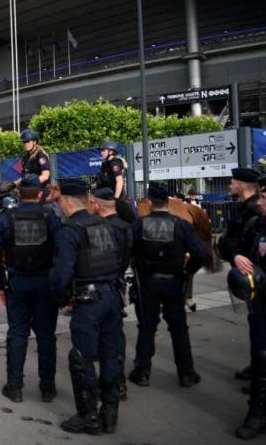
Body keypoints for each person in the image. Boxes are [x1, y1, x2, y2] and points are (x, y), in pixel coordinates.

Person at [50, 178, 125, 435]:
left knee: (82, 358)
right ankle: (110, 414)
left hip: (88, 302)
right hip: (113, 298)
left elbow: (61, 274)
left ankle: (89, 416)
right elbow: (121, 260)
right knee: (110, 355)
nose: (59, 205)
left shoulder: (70, 230)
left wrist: (61, 299)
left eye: (60, 201)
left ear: (69, 202)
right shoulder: (109, 226)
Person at [0, 175, 60, 404]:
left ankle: (15, 387)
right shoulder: (51, 216)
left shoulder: (5, 217)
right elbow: (62, 250)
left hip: (18, 282)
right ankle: (47, 388)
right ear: (40, 194)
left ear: (19, 195)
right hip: (45, 282)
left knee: (18, 334)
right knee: (46, 336)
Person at [128, 182, 205, 389]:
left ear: (150, 202)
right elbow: (200, 253)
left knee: (146, 327)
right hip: (174, 281)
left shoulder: (138, 225)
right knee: (179, 328)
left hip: (147, 282)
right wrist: (188, 272)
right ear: (167, 202)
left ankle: (142, 371)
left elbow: (125, 249)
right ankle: (186, 373)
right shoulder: (181, 225)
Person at [231, 176, 266, 439]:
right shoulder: (257, 224)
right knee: (261, 358)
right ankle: (258, 414)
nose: (260, 202)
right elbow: (230, 243)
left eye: (265, 198)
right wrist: (237, 255)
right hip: (262, 305)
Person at [218, 168, 261, 382]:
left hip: (257, 275)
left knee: (260, 326)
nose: (229, 185)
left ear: (242, 186)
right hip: (251, 274)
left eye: (233, 182)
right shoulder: (246, 207)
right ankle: (256, 366)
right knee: (255, 325)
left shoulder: (254, 210)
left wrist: (234, 252)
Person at [92, 187, 133, 400]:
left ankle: (106, 385)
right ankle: (118, 383)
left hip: (97, 288)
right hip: (116, 285)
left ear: (98, 204)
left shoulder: (97, 227)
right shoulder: (126, 227)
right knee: (115, 335)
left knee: (100, 337)